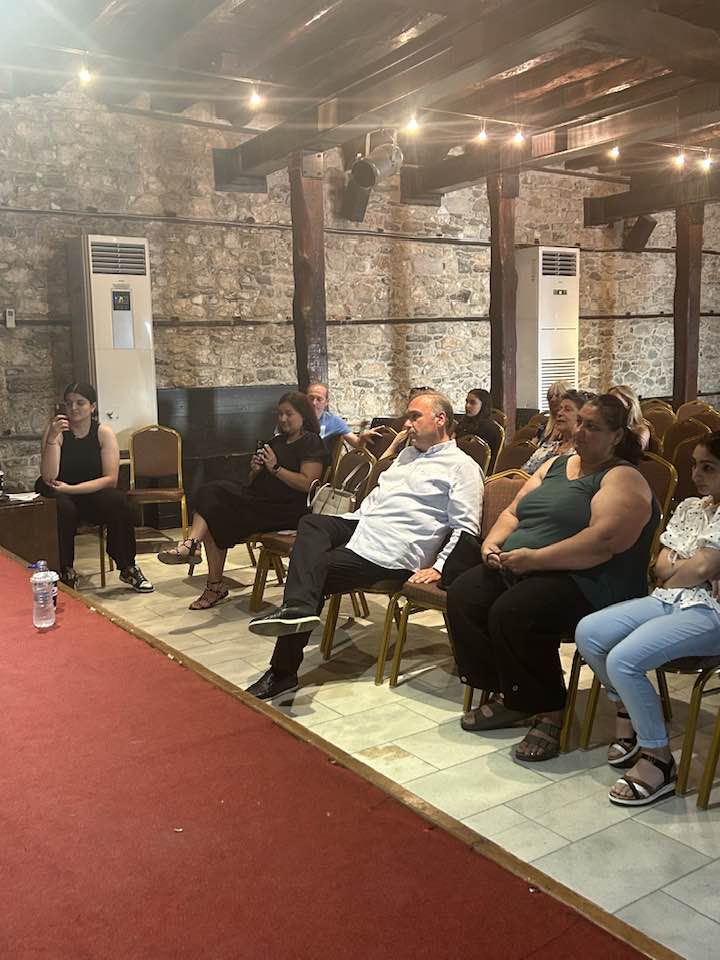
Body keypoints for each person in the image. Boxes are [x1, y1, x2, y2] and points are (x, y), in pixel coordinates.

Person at [447, 394, 658, 762]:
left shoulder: (622, 477)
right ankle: (512, 694)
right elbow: (514, 512)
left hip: (588, 578)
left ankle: (548, 712)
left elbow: (602, 543)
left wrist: (534, 559)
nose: (580, 432)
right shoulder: (556, 464)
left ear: (616, 436)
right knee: (465, 595)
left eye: (592, 427)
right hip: (527, 566)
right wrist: (492, 544)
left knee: (516, 611)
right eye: (581, 423)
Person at [244, 391, 483, 700]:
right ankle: (297, 608)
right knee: (312, 523)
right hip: (364, 525)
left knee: (316, 570)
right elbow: (376, 498)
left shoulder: (462, 466)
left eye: (414, 417)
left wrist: (439, 567)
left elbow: (466, 527)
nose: (406, 424)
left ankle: (282, 671)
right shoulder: (407, 455)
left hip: (393, 549)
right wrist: (349, 522)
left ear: (441, 420)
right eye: (407, 417)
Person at [575, 431, 720, 807]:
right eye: (695, 465)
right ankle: (628, 708)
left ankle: (658, 757)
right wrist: (693, 568)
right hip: (669, 598)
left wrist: (687, 566)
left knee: (624, 659)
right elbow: (662, 566)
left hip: (711, 612)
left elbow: (697, 566)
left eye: (708, 468)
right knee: (590, 632)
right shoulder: (691, 506)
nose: (696, 474)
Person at [158, 392, 327, 610]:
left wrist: (275, 468)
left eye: (289, 414)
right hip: (260, 500)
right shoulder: (276, 441)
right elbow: (252, 481)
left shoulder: (311, 442)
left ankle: (203, 566)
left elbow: (308, 484)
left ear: (303, 415)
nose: (283, 419)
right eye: (280, 414)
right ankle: (198, 554)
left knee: (215, 501)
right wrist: (256, 470)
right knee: (210, 499)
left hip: (286, 509)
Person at [36, 382, 153, 592]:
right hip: (57, 489)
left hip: (88, 488)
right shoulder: (56, 431)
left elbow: (110, 479)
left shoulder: (103, 432)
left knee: (119, 502)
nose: (73, 408)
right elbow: (49, 476)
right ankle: (64, 568)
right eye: (69, 403)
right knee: (63, 508)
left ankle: (127, 567)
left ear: (92, 407)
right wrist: (52, 439)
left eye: (80, 403)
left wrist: (72, 489)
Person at [521, 390, 593, 475]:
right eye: (560, 409)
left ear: (581, 417)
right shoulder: (548, 447)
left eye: (567, 409)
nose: (559, 413)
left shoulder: (582, 453)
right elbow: (519, 475)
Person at [306, 381, 379, 452]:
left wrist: (363, 438)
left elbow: (356, 443)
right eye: (311, 398)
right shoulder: (299, 419)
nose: (314, 403)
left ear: (326, 402)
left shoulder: (333, 421)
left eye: (319, 399)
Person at [455, 388, 503, 465]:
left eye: (472, 403)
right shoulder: (463, 424)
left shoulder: (491, 429)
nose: (467, 406)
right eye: (467, 402)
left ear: (483, 405)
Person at [609, 384, 652, 451]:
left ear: (629, 404)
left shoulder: (641, 430)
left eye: (615, 401)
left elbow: (635, 454)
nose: (608, 405)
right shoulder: (608, 425)